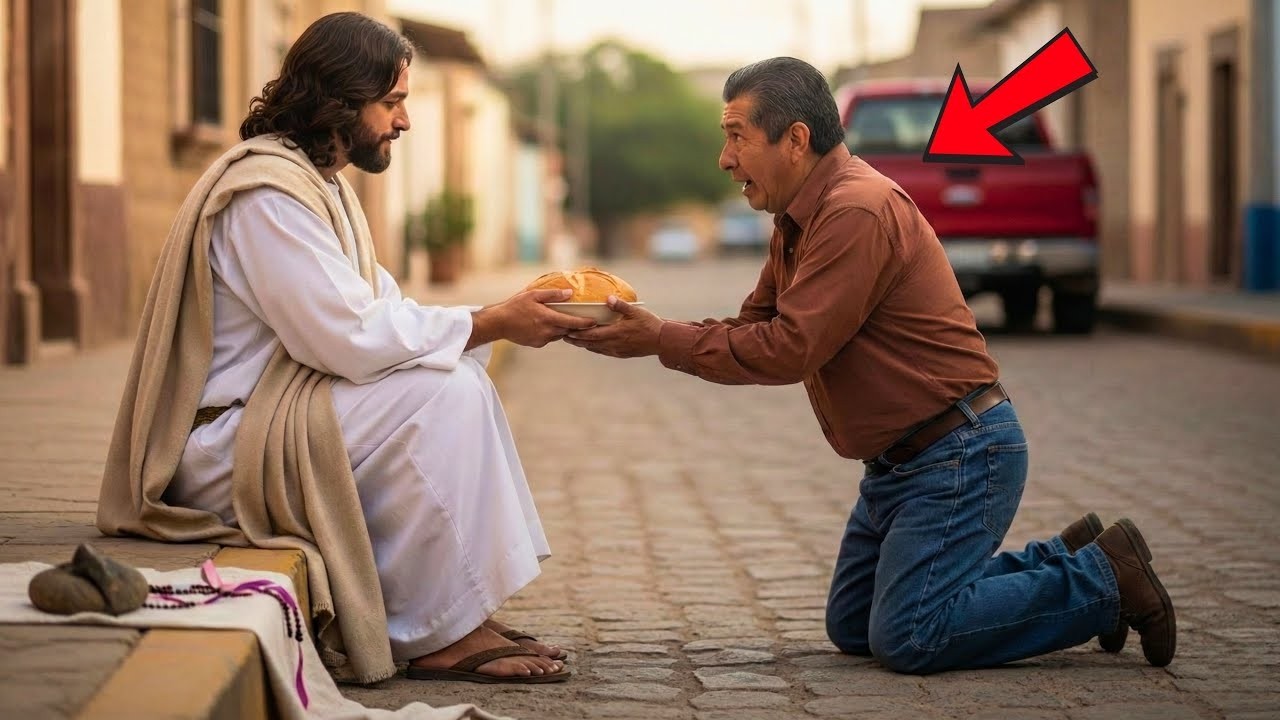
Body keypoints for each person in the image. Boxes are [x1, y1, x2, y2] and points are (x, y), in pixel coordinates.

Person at [565, 57, 1176, 674]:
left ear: (796, 139)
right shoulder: (798, 218)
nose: (725, 159)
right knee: (854, 626)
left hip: (960, 453)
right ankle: (1058, 563)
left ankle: (1101, 582)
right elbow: (755, 328)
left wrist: (661, 340)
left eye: (736, 137)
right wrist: (648, 330)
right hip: (898, 468)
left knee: (911, 636)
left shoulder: (853, 210)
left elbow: (791, 348)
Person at [96, 12, 590, 685]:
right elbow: (345, 338)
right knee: (439, 392)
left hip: (276, 418)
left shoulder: (318, 187)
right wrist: (491, 321)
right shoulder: (267, 197)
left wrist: (489, 321)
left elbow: (382, 311)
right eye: (392, 103)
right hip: (226, 449)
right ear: (339, 98)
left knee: (459, 381)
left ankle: (460, 612)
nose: (404, 121)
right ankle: (436, 633)